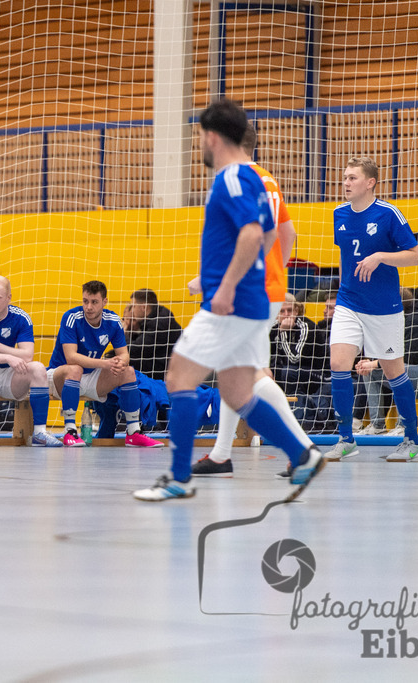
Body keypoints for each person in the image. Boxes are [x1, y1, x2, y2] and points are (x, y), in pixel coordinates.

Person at [133, 99, 323, 502]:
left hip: (232, 303)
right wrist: (249, 276)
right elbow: (272, 235)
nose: (200, 143)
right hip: (251, 300)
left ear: (212, 137)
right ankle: (301, 455)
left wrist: (226, 285)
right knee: (238, 393)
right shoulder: (254, 177)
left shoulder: (231, 177)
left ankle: (179, 478)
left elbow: (254, 234)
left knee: (179, 378)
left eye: (200, 135)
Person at [190, 122, 316, 477]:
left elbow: (244, 237)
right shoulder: (268, 179)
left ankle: (304, 449)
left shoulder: (238, 179)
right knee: (235, 370)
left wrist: (217, 280)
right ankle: (222, 454)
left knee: (248, 374)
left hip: (249, 290)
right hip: (267, 286)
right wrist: (274, 271)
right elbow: (287, 233)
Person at [323, 156, 418, 463]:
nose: (345, 182)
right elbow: (345, 258)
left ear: (370, 183)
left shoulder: (388, 214)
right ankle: (346, 439)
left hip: (384, 308)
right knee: (338, 364)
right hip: (349, 302)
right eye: (345, 177)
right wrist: (343, 290)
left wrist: (381, 256)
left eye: (352, 178)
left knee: (394, 372)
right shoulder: (339, 213)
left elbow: (415, 256)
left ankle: (412, 439)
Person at [47, 280, 161, 448]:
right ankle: (70, 431)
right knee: (75, 369)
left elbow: (124, 354)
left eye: (94, 302)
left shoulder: (113, 320)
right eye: (85, 301)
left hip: (90, 376)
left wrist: (120, 363)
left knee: (128, 372)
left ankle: (133, 433)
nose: (88, 307)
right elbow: (71, 357)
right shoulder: (71, 318)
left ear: (104, 301)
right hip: (60, 377)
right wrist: (104, 363)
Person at [0, 276, 63, 447]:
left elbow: (27, 356)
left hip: (8, 378)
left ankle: (40, 433)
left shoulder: (21, 318)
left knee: (38, 368)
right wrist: (9, 357)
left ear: (9, 298)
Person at [356, 283, 418, 433]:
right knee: (369, 371)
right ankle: (377, 426)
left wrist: (375, 363)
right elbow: (386, 356)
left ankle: (403, 426)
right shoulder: (392, 326)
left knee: (399, 370)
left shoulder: (414, 321)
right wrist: (369, 363)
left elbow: (409, 358)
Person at [119, 288, 181, 381]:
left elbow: (136, 350)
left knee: (122, 361)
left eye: (133, 306)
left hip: (167, 369)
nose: (132, 310)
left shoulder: (159, 323)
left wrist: (123, 334)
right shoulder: (154, 316)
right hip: (160, 362)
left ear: (144, 307)